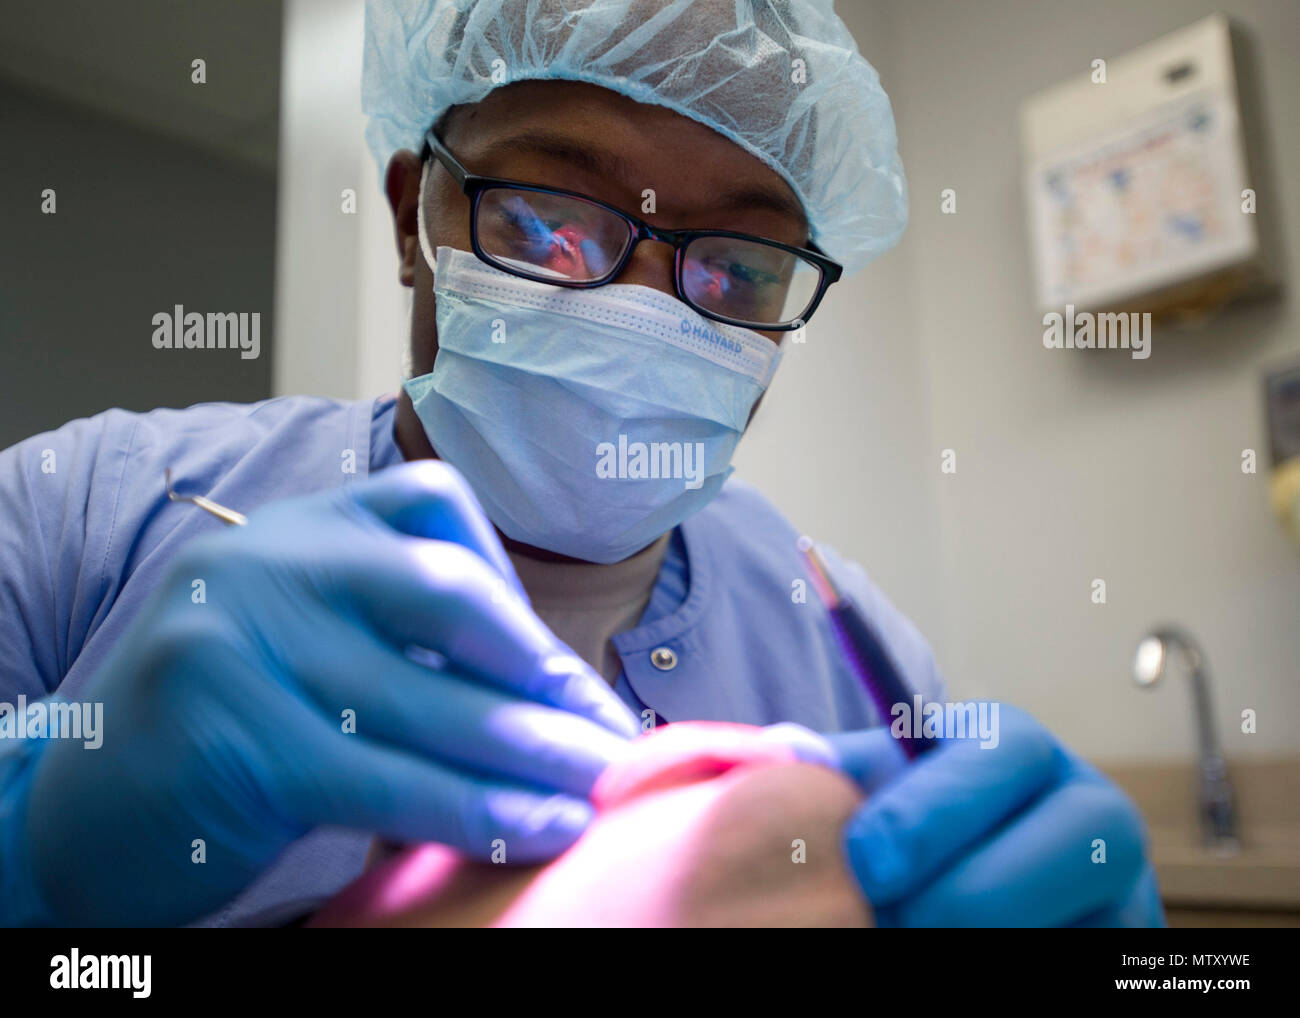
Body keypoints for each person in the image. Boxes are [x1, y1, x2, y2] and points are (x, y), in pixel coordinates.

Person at [0, 0, 1161, 928]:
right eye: (550, 219)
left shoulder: (847, 642)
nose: (644, 313)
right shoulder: (84, 514)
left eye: (741, 264)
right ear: (416, 216)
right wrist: (42, 846)